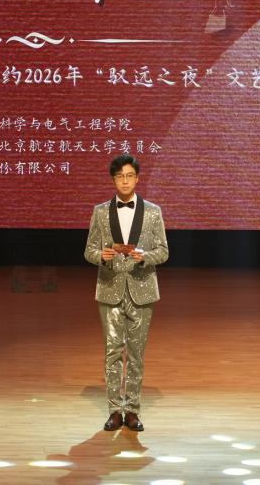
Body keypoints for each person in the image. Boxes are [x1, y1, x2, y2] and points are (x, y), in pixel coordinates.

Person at [83, 154, 169, 432]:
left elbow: (163, 251)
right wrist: (102, 256)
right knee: (112, 352)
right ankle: (114, 410)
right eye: (120, 176)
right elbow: (89, 250)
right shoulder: (100, 212)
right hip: (110, 289)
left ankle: (132, 409)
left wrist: (144, 257)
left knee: (136, 354)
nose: (125, 181)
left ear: (137, 178)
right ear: (113, 180)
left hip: (142, 289)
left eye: (129, 175)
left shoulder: (153, 212)